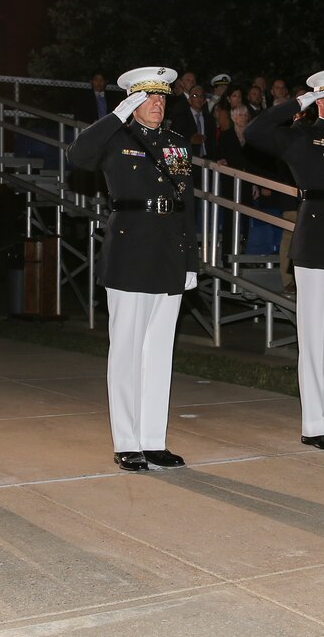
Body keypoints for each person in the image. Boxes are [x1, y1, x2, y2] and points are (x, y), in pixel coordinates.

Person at [67, 66, 198, 471]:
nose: (157, 104)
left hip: (168, 254)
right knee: (127, 350)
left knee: (159, 352)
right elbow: (78, 155)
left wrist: (190, 260)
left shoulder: (177, 143)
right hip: (129, 251)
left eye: (162, 97)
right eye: (148, 98)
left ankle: (153, 439)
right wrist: (117, 114)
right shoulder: (114, 138)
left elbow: (186, 203)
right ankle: (127, 441)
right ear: (133, 102)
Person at [245, 67, 324, 452]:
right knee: (316, 338)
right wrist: (298, 101)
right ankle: (316, 425)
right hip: (318, 243)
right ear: (320, 99)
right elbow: (254, 133)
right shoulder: (301, 134)